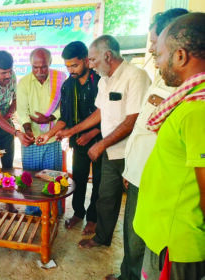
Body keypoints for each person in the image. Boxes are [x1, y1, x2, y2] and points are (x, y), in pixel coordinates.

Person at [104, 8, 189, 280]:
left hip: (156, 182)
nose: (152, 51)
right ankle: (126, 275)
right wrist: (131, 168)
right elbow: (144, 128)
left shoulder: (186, 91)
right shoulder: (163, 80)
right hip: (138, 173)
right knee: (132, 236)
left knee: (143, 243)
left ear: (177, 47)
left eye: (155, 44)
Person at [58, 35, 151, 249]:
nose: (90, 65)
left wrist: (100, 143)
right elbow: (99, 113)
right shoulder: (104, 80)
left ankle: (131, 258)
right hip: (109, 150)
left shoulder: (135, 76)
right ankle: (101, 237)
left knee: (131, 207)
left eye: (92, 60)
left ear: (107, 56)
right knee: (105, 197)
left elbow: (132, 120)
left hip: (128, 152)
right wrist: (70, 131)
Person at [133, 13, 205, 280]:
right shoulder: (188, 100)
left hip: (176, 244)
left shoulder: (198, 108)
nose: (158, 62)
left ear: (181, 56)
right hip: (163, 235)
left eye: (160, 55)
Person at [37, 41, 102, 235]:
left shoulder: (100, 82)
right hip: (78, 141)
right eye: (67, 66)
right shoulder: (67, 86)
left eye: (75, 65)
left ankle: (93, 219)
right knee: (78, 179)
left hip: (101, 140)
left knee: (98, 182)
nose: (71, 70)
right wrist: (48, 134)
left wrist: (93, 132)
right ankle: (78, 214)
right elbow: (65, 119)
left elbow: (109, 114)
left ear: (86, 60)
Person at [0, 50, 33, 212]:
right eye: (3, 73)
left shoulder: (12, 76)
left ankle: (9, 201)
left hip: (6, 126)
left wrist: (10, 112)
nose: (8, 76)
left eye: (10, 71)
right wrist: (16, 132)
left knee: (8, 166)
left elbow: (16, 99)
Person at [16, 47, 66, 216]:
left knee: (53, 178)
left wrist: (50, 118)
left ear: (50, 63)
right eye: (35, 67)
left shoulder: (61, 79)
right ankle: (34, 212)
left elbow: (63, 107)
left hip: (52, 138)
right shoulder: (23, 83)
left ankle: (53, 212)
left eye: (43, 67)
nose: (39, 71)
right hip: (31, 141)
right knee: (31, 179)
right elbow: (22, 111)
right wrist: (28, 130)